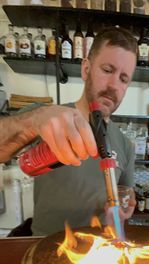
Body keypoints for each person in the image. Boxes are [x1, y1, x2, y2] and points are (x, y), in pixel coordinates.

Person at [0, 26, 138, 236]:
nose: (114, 85)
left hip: (98, 257)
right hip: (44, 250)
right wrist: (30, 121)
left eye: (124, 79)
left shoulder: (125, 145)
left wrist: (123, 207)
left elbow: (125, 196)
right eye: (108, 70)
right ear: (86, 69)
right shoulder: (44, 118)